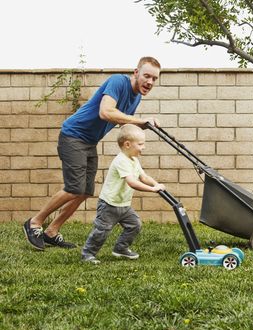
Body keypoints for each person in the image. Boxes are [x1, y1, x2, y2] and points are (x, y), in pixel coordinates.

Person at [23, 57, 161, 251]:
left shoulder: (136, 97)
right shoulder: (118, 82)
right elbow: (106, 112)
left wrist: (144, 126)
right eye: (147, 76)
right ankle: (34, 223)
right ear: (136, 73)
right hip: (73, 135)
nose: (150, 82)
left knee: (85, 191)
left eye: (155, 78)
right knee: (74, 188)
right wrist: (140, 120)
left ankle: (52, 231)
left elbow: (123, 123)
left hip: (89, 142)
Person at [81, 124, 165, 264]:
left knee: (135, 225)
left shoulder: (134, 160)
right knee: (102, 230)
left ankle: (120, 248)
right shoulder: (121, 161)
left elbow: (143, 177)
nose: (143, 147)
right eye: (140, 144)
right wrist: (151, 190)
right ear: (127, 144)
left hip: (124, 205)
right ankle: (88, 254)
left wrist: (156, 184)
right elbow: (132, 182)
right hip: (109, 204)